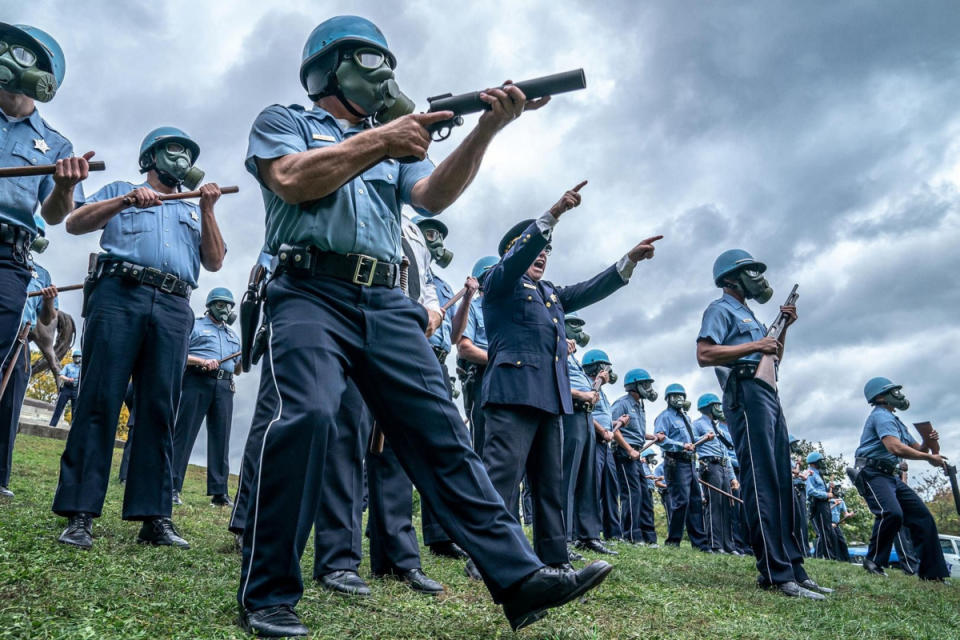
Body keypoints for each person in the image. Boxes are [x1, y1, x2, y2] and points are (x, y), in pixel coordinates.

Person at [236, 16, 612, 636]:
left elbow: (433, 195)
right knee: (307, 415)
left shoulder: (395, 140)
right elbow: (294, 181)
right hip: (308, 288)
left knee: (443, 432)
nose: (387, 71)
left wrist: (487, 129)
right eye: (371, 58)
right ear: (330, 67)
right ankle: (269, 593)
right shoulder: (286, 121)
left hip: (386, 299)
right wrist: (383, 140)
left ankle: (518, 580)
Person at [53, 126, 225, 550]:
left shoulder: (190, 205)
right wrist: (126, 200)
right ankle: (80, 513)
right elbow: (74, 222)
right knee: (99, 398)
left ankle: (154, 516)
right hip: (120, 293)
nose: (182, 157)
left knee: (161, 406)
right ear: (151, 157)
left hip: (173, 305)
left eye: (188, 152)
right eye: (174, 149)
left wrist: (207, 209)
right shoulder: (121, 188)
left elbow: (216, 261)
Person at [696, 249, 829, 599]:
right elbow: (704, 354)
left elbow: (773, 355)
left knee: (782, 480)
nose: (757, 275)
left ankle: (795, 568)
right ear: (730, 279)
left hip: (768, 392)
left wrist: (782, 330)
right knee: (761, 482)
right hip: (745, 393)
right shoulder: (720, 308)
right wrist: (757, 343)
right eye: (749, 270)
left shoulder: (750, 315)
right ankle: (774, 572)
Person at [0, 22, 90, 369]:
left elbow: (54, 216)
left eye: (18, 52)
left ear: (45, 78)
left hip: (7, 257)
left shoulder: (56, 145)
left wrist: (66, 187)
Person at [851, 377, 949, 580]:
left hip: (890, 475)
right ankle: (873, 561)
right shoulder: (880, 417)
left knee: (923, 517)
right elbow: (894, 447)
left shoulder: (896, 421)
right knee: (891, 513)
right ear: (880, 396)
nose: (899, 395)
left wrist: (928, 441)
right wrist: (929, 457)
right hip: (871, 472)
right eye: (894, 391)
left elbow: (916, 449)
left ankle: (933, 575)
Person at [412, 214, 468, 560]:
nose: (435, 240)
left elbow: (455, 333)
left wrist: (466, 300)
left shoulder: (444, 286)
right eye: (428, 233)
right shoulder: (403, 264)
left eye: (438, 235)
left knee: (439, 445)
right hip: (408, 351)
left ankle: (440, 533)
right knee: (396, 442)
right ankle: (386, 527)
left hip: (438, 360)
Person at [171, 287, 241, 507]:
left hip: (225, 385)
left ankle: (220, 493)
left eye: (228, 305)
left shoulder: (233, 335)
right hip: (197, 381)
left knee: (222, 437)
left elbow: (238, 369)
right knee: (185, 433)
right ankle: (171, 486)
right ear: (210, 305)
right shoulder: (196, 326)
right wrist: (201, 361)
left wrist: (245, 357)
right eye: (221, 304)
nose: (225, 309)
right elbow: (180, 354)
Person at [0, 252, 56, 497]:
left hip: (21, 342)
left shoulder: (42, 274)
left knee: (9, 411)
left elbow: (47, 319)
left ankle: (1, 480)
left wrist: (48, 302)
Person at [562, 316, 616, 557]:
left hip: (585, 415)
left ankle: (589, 535)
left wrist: (595, 386)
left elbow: (589, 393)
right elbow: (551, 381)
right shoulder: (554, 350)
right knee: (566, 478)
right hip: (569, 413)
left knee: (587, 479)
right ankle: (563, 537)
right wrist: (582, 394)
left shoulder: (572, 357)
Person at [610, 367, 663, 546]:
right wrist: (629, 450)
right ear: (634, 385)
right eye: (645, 384)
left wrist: (653, 437)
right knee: (631, 494)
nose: (648, 388)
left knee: (644, 494)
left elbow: (636, 432)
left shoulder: (640, 406)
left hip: (637, 453)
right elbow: (615, 429)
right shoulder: (621, 404)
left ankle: (649, 537)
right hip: (624, 454)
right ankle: (631, 536)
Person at [654, 384, 709, 551]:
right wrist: (680, 446)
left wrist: (704, 438)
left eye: (681, 396)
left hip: (690, 462)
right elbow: (661, 440)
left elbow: (691, 439)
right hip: (675, 462)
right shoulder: (664, 417)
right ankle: (673, 541)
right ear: (668, 399)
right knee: (681, 502)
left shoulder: (686, 418)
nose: (679, 399)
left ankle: (700, 544)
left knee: (695, 501)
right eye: (675, 396)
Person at [454, 256, 498, 454]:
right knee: (484, 445)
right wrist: (503, 358)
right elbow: (464, 347)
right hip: (483, 377)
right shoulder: (472, 307)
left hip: (513, 380)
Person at [693, 393, 737, 554]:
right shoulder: (697, 424)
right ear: (708, 406)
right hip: (709, 465)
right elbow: (691, 445)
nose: (720, 409)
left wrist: (732, 477)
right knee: (714, 505)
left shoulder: (718, 427)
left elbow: (726, 452)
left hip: (724, 466)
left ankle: (728, 545)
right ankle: (715, 544)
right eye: (717, 405)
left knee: (726, 505)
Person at [805, 452, 840, 561]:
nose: (823, 463)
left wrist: (830, 488)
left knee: (828, 530)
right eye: (821, 461)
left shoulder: (820, 475)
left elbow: (826, 492)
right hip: (817, 505)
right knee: (823, 531)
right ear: (815, 462)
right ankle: (827, 556)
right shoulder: (810, 474)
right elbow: (810, 491)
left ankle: (823, 556)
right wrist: (826, 494)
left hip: (825, 504)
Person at [789, 434, 810, 557]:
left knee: (803, 520)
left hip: (800, 489)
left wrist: (797, 464)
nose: (795, 446)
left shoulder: (792, 459)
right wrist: (799, 467)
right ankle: (802, 550)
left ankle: (805, 550)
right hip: (794, 488)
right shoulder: (784, 456)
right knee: (798, 519)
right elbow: (796, 473)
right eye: (793, 444)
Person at [49, 348, 81, 426]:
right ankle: (52, 425)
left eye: (79, 356)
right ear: (73, 357)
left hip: (76, 389)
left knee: (75, 409)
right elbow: (61, 375)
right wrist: (68, 379)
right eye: (75, 356)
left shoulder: (82, 368)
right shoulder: (68, 366)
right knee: (59, 407)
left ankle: (73, 428)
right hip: (67, 388)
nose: (77, 358)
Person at [829, 484, 851, 562]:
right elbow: (826, 511)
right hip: (829, 524)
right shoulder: (827, 500)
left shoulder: (841, 501)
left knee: (842, 541)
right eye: (836, 489)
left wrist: (849, 515)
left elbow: (845, 514)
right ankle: (836, 559)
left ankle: (847, 560)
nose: (838, 491)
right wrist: (835, 504)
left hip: (836, 524)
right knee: (834, 539)